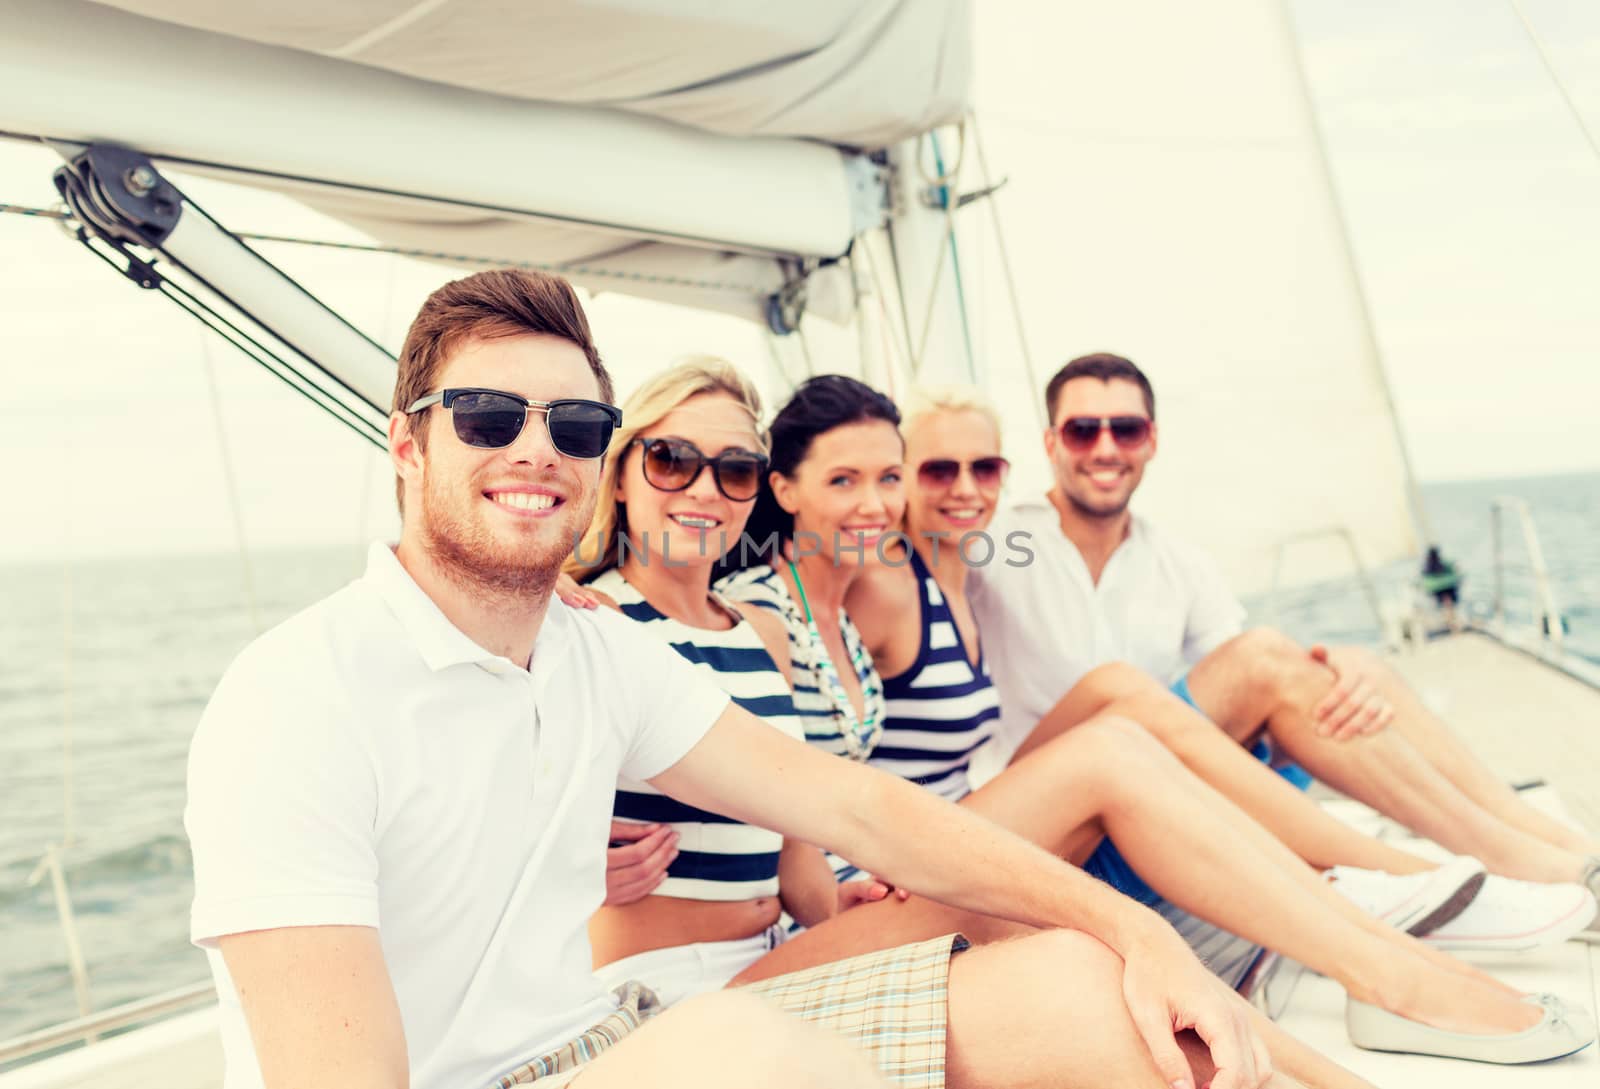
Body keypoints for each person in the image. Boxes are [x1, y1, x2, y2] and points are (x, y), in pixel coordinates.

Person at [185, 270, 1294, 1089]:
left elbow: (855, 804)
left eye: (572, 425)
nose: (535, 451)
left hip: (610, 1036)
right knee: (753, 1050)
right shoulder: (298, 697)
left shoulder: (598, 654)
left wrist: (1135, 934)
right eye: (487, 416)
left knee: (1091, 997)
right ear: (406, 446)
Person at [660, 374, 1584, 1067]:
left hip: (897, 863)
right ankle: (1391, 945)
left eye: (891, 479)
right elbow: (783, 838)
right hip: (844, 907)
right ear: (782, 488)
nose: (883, 502)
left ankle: (1392, 943)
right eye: (856, 480)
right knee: (1111, 754)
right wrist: (595, 584)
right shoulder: (772, 613)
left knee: (1124, 710)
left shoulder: (903, 574)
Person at [968, 352, 1600, 899]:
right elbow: (908, 559)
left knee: (1357, 669)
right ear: (1051, 445)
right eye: (1083, 431)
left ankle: (1547, 843)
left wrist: (1326, 674)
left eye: (1125, 429)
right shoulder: (996, 546)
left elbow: (1255, 687)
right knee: (1267, 660)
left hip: (1158, 809)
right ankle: (1508, 860)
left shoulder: (1174, 561)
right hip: (1060, 830)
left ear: (1151, 441)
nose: (1106, 448)